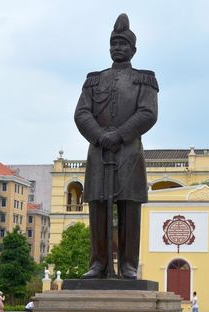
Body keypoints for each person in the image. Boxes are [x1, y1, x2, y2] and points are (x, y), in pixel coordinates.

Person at [75, 13, 158, 279]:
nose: (117, 48)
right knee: (98, 206)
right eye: (114, 44)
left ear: (133, 49)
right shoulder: (94, 80)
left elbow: (148, 113)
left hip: (129, 152)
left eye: (123, 44)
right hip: (99, 151)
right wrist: (100, 136)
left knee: (129, 207)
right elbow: (81, 113)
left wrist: (119, 135)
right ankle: (98, 263)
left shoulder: (143, 80)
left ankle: (128, 264)